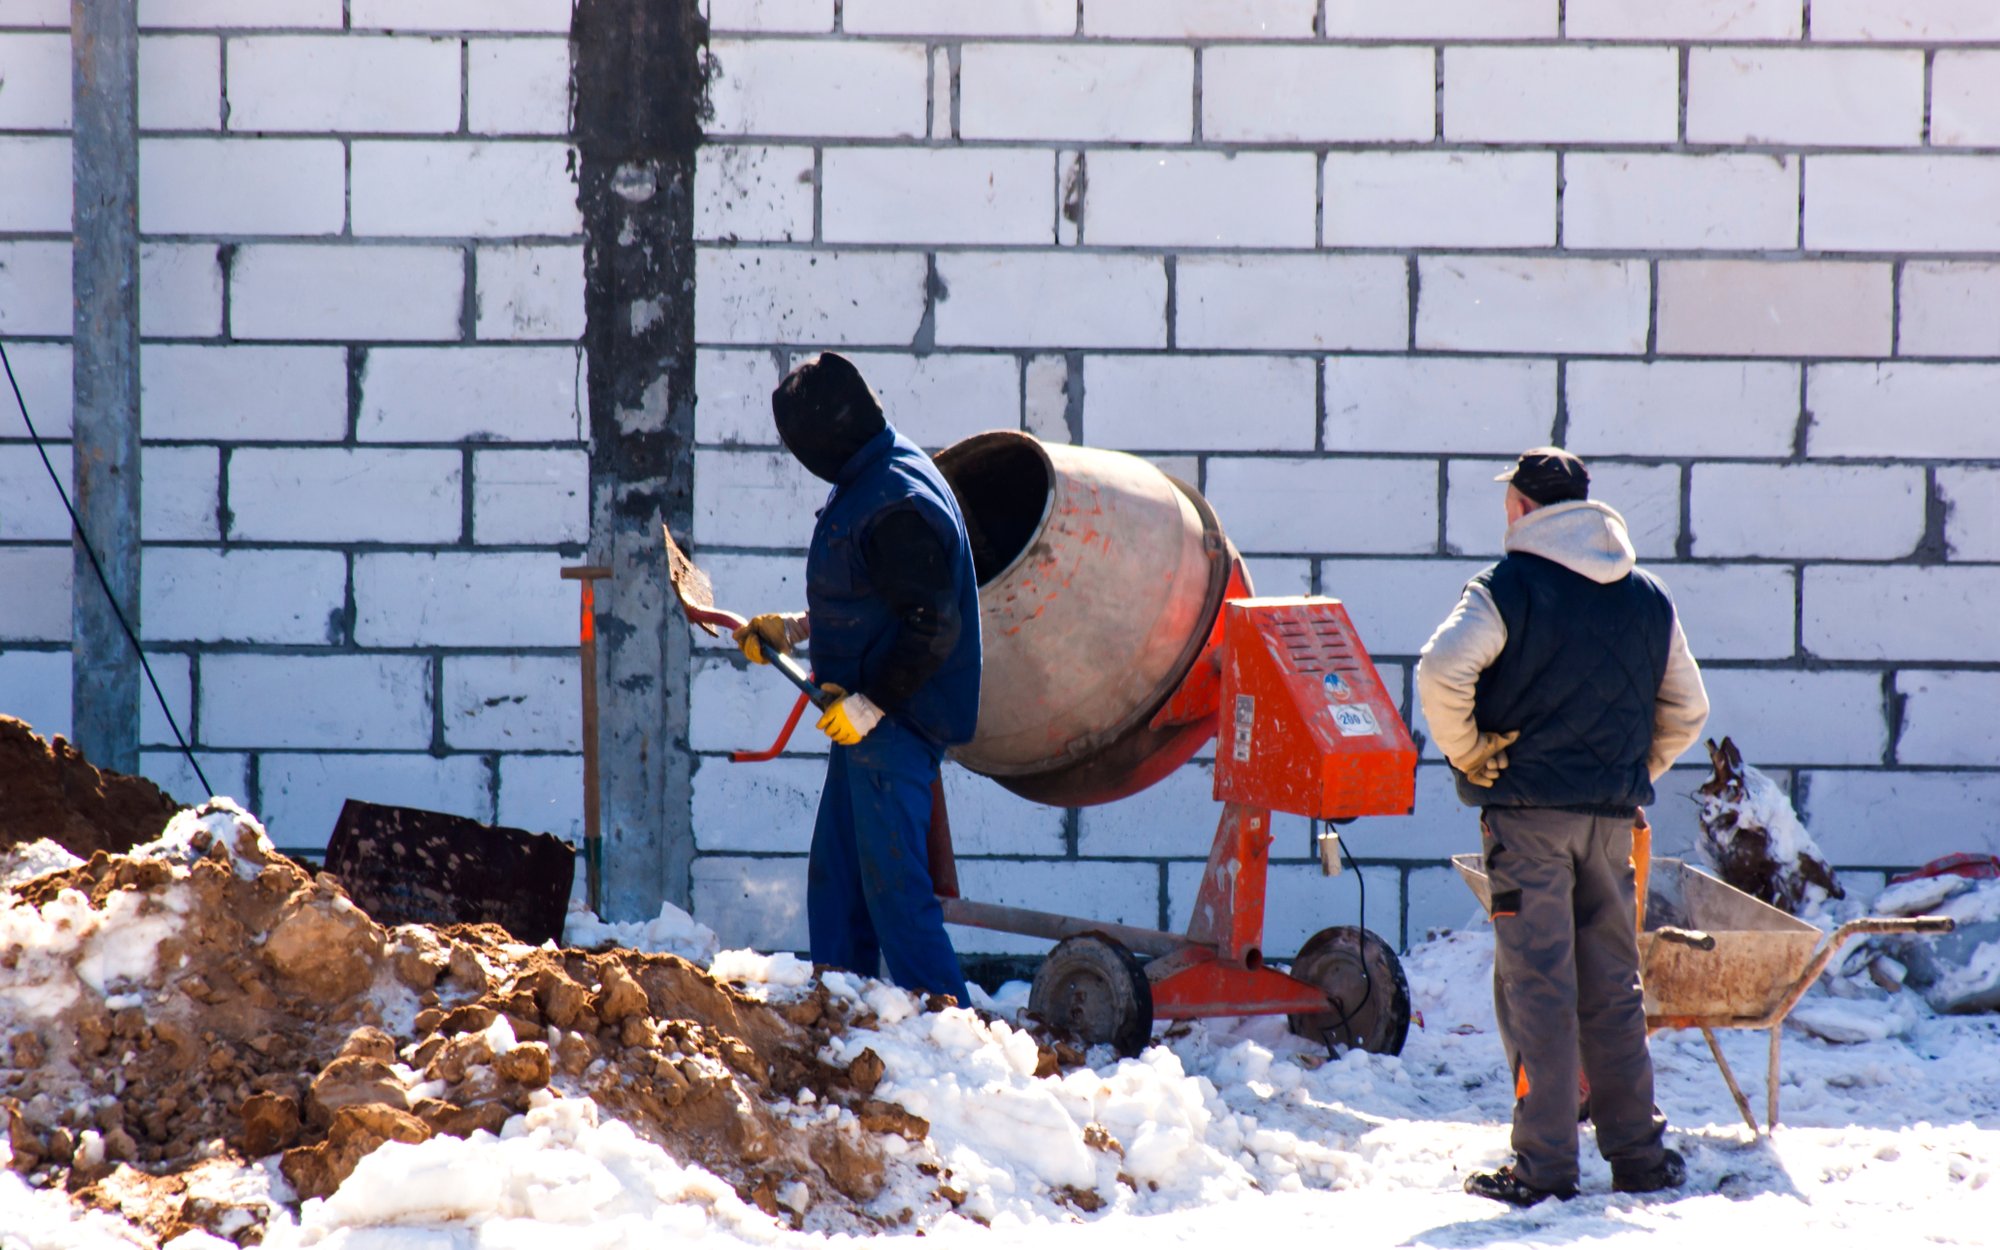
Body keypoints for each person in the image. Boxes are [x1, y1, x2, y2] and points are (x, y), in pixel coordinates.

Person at [1416, 447, 1710, 1207]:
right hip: (1611, 821)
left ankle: (1544, 1167)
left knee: (1539, 987)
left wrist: (1471, 750)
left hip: (1527, 819)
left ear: (1522, 509)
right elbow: (1689, 709)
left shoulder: (1505, 588)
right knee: (1614, 986)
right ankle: (1639, 1155)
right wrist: (1627, 764)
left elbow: (1440, 669)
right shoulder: (1647, 597)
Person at [732, 352, 980, 1007]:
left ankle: (950, 1035)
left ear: (824, 439)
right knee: (839, 885)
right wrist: (796, 628)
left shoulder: (896, 501)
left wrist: (871, 705)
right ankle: (843, 1015)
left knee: (895, 891)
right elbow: (875, 595)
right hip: (868, 727)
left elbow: (932, 624)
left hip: (894, 726)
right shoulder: (875, 472)